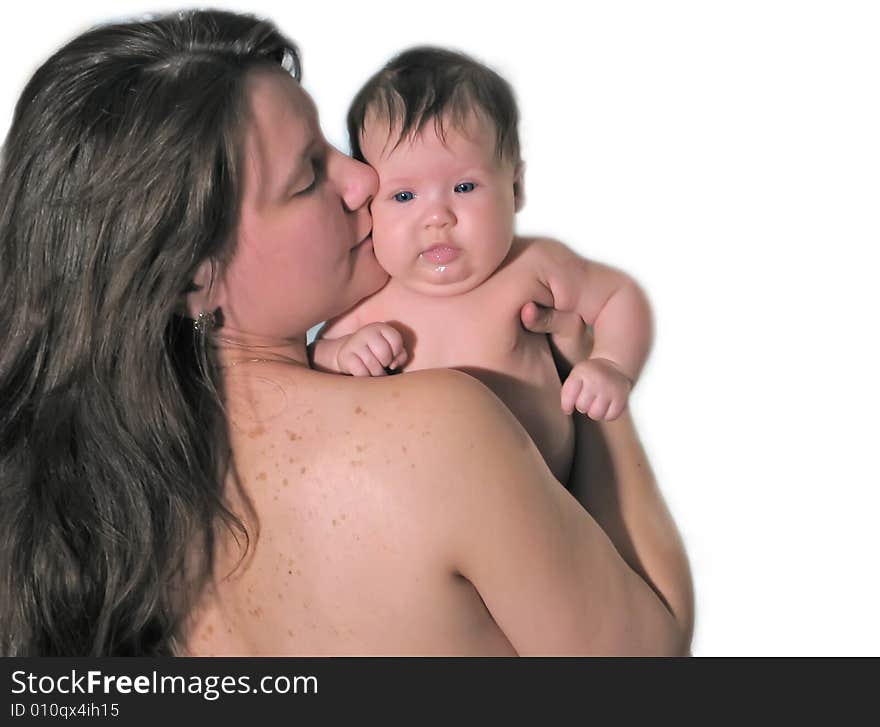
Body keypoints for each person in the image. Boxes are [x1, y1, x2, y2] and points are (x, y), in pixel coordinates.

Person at [0, 9, 693, 656]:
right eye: (309, 175)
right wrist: (584, 371)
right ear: (192, 277)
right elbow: (647, 660)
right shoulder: (442, 427)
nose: (364, 177)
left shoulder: (117, 505)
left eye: (334, 146)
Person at [311, 47, 652, 484]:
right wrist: (340, 353)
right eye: (403, 196)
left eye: (465, 186)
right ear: (367, 203)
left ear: (516, 186)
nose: (438, 216)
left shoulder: (533, 266)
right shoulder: (372, 295)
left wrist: (611, 365)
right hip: (419, 507)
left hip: (544, 501)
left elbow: (619, 296)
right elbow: (312, 366)